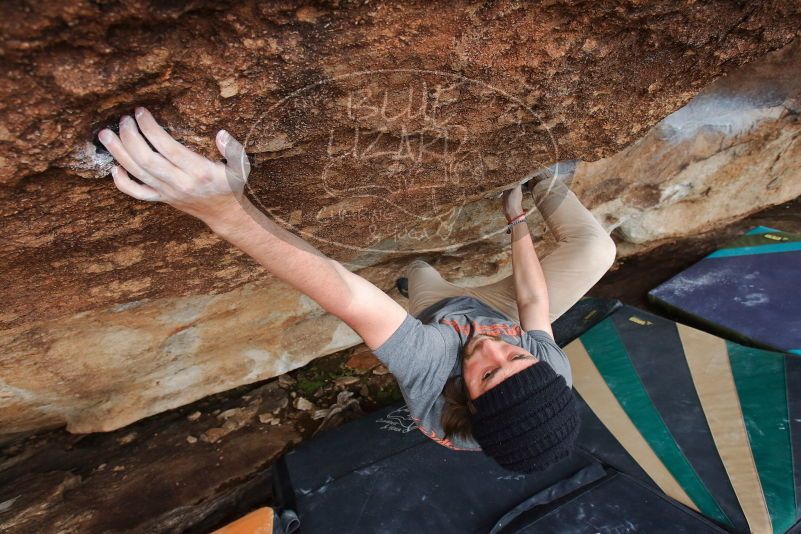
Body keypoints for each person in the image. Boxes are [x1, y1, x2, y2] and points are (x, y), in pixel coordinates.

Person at [98, 108, 616, 474]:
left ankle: (414, 278)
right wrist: (517, 219)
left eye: (487, 373)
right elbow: (532, 305)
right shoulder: (548, 379)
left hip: (438, 314)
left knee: (421, 274)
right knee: (598, 252)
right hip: (497, 305)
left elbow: (349, 299)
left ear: (469, 400)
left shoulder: (433, 376)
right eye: (518, 360)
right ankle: (545, 183)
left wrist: (226, 210)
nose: (495, 350)